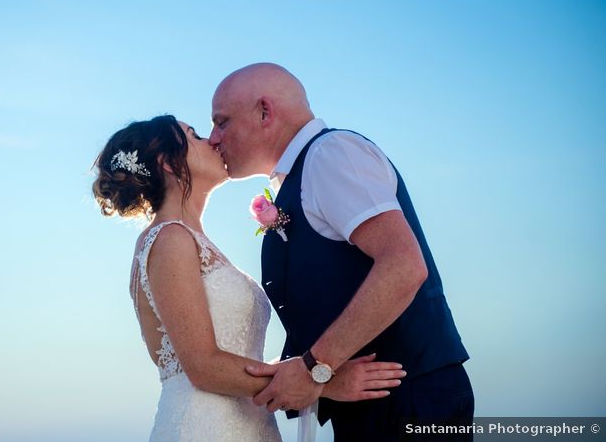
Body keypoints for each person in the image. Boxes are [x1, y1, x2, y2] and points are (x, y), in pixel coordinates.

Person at [92, 114, 406, 441]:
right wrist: (322, 382)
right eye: (195, 136)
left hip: (248, 424)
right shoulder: (169, 239)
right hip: (203, 427)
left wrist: (305, 366)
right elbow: (202, 366)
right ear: (168, 162)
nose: (212, 140)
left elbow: (236, 358)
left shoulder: (193, 241)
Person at [209, 63, 473, 441]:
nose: (214, 138)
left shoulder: (331, 155)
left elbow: (403, 266)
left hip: (409, 402)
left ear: (265, 112)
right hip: (373, 409)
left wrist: (315, 367)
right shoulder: (302, 173)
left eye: (222, 121)